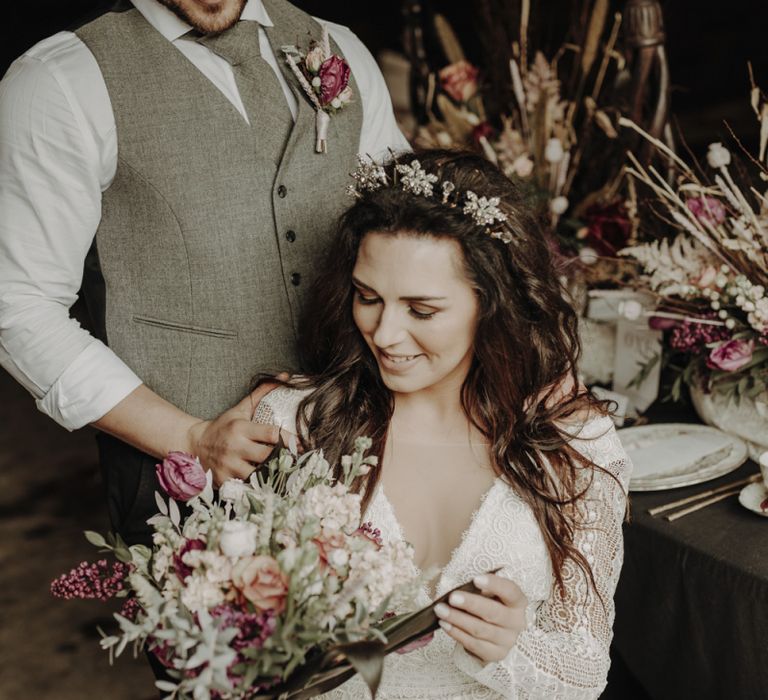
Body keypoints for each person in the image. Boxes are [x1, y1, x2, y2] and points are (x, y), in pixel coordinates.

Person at [0, 0, 408, 546]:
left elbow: (412, 235)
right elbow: (19, 305)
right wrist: (189, 438)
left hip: (372, 452)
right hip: (191, 488)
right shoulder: (62, 81)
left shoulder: (339, 48)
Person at [253, 149, 632, 699]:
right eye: (367, 298)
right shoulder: (296, 424)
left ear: (493, 304)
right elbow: (252, 648)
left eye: (421, 311)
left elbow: (585, 674)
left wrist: (510, 646)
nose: (383, 333)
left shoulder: (574, 442)